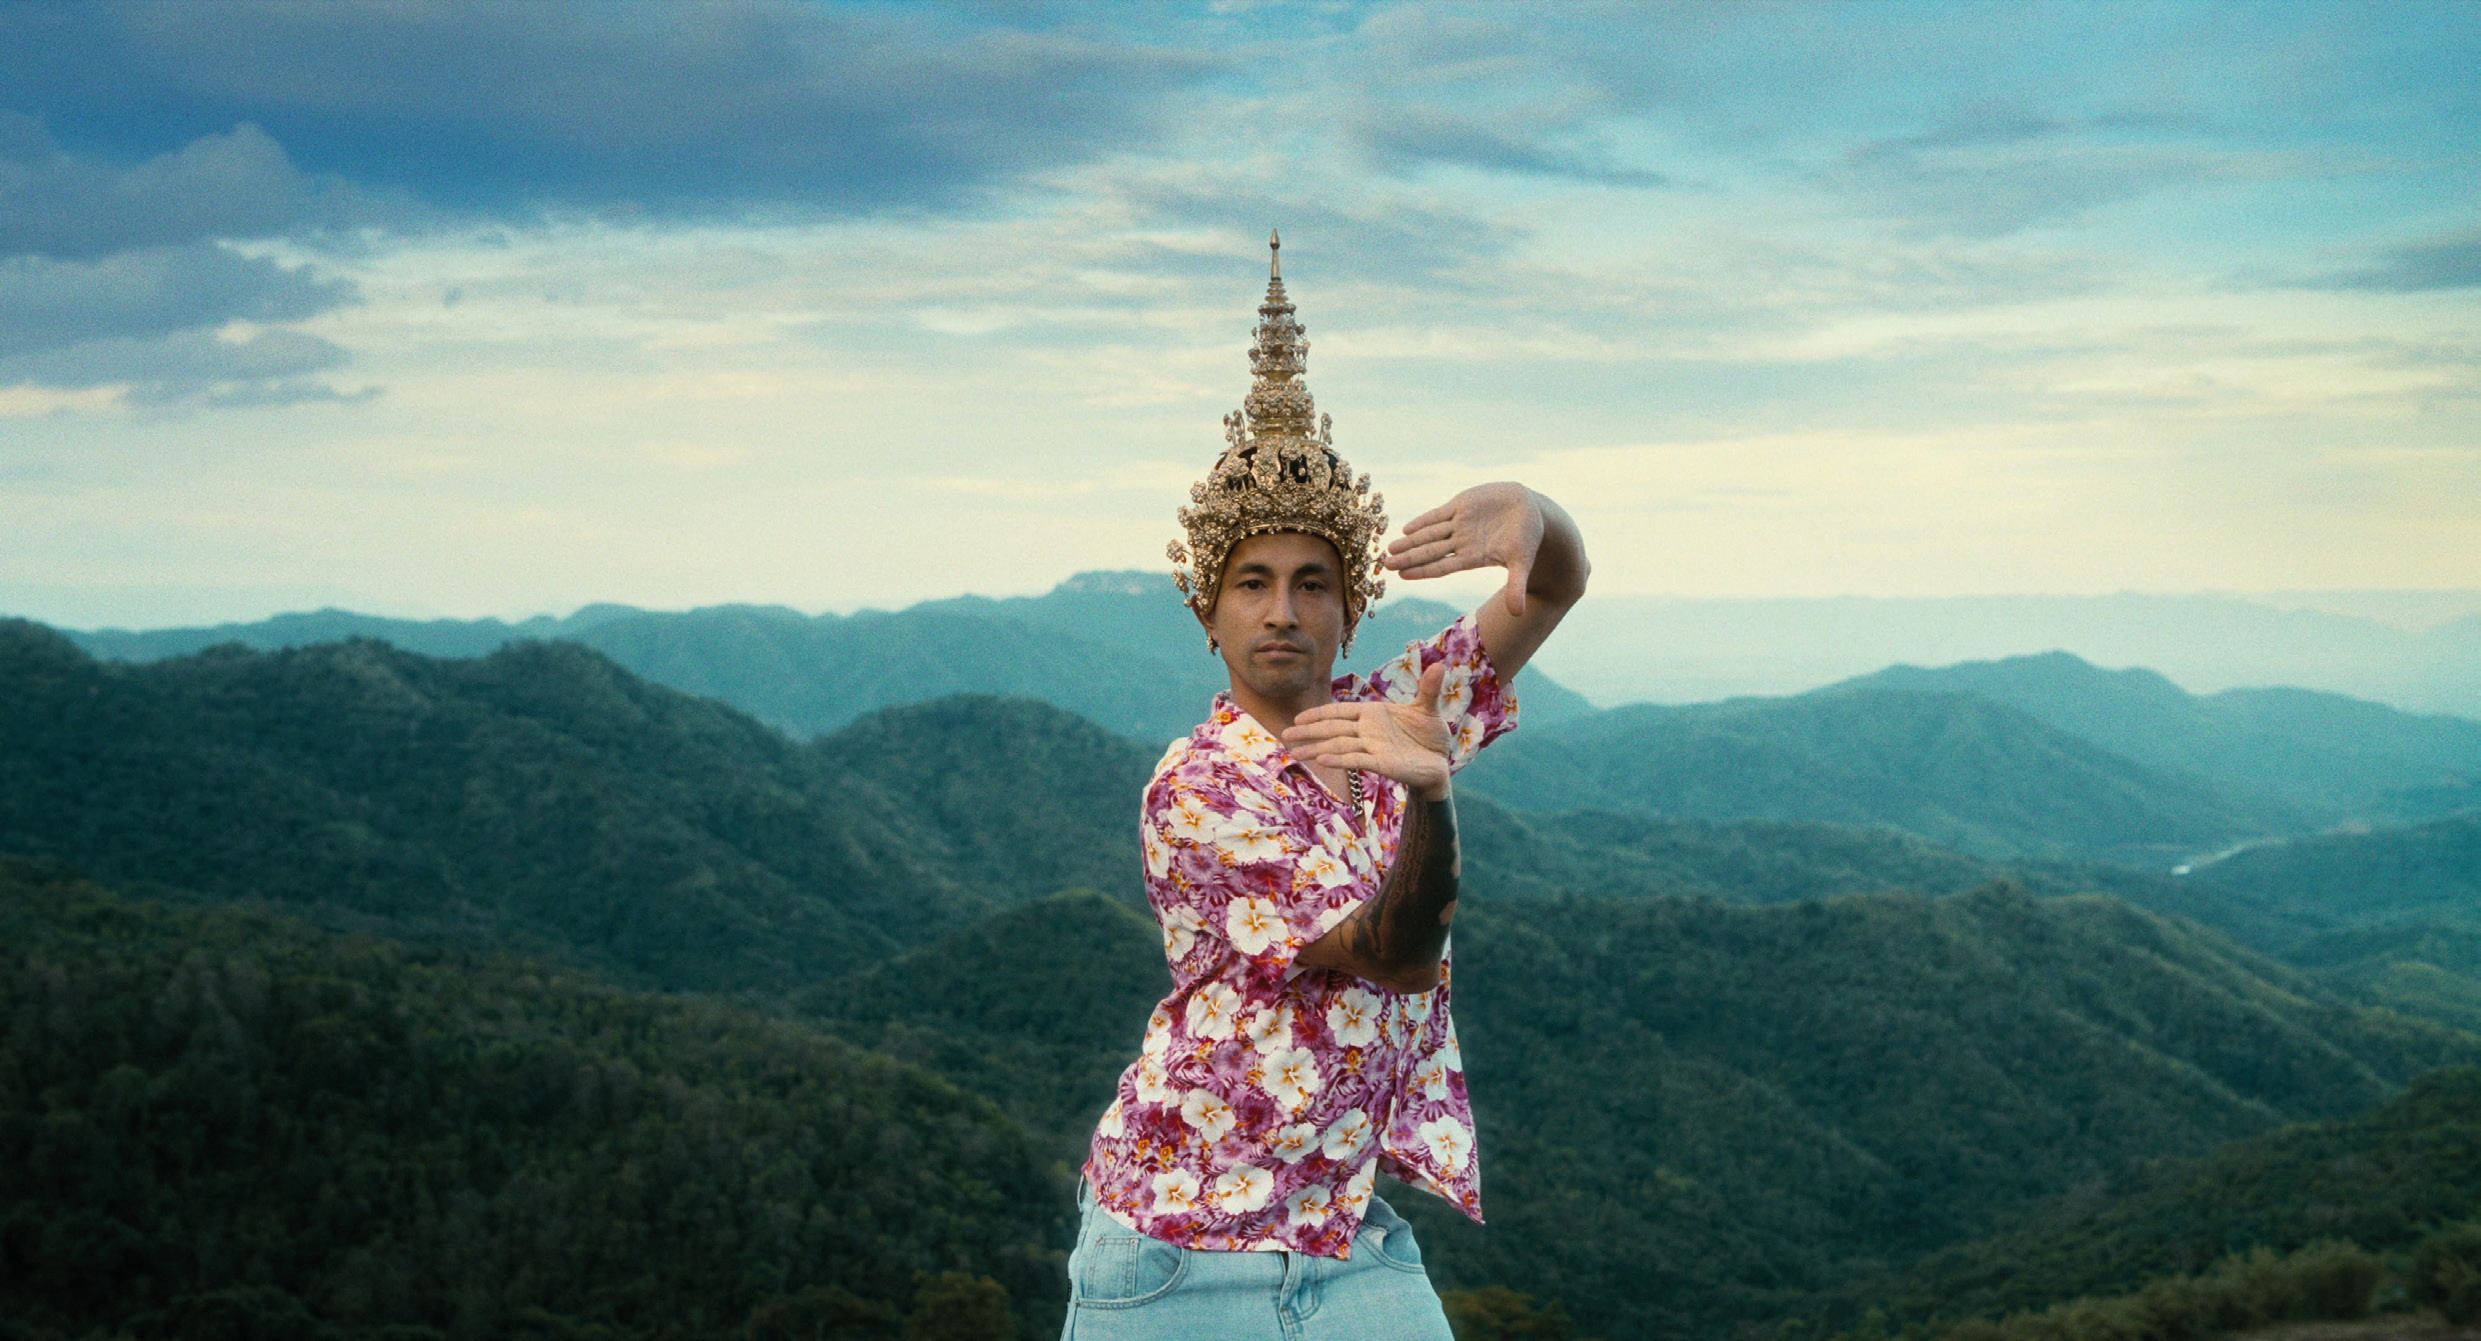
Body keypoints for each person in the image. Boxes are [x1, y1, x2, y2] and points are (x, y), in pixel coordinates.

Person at [1065, 234, 1588, 1339]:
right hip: (1175, 1250)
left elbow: (1548, 595)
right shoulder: (1199, 788)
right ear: (1207, 615)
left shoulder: (1388, 712)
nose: (1282, 611)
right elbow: (1394, 955)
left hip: (1337, 1233)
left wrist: (1540, 521)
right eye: (1251, 583)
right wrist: (1430, 797)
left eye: (1313, 583)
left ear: (1352, 609)